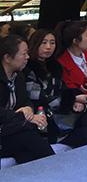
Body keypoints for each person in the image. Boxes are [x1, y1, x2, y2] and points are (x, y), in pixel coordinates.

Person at [25, 29, 87, 147]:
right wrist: (73, 100)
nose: (48, 47)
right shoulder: (28, 68)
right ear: (35, 44)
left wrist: (75, 100)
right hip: (46, 118)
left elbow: (63, 89)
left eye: (52, 43)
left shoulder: (54, 66)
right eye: (44, 43)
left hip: (62, 112)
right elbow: (40, 98)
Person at [0, 35, 54, 164]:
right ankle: (55, 166)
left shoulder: (18, 76)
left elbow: (25, 101)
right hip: (6, 130)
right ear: (7, 58)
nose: (28, 57)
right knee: (28, 137)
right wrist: (23, 116)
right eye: (23, 54)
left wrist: (28, 109)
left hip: (13, 130)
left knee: (27, 152)